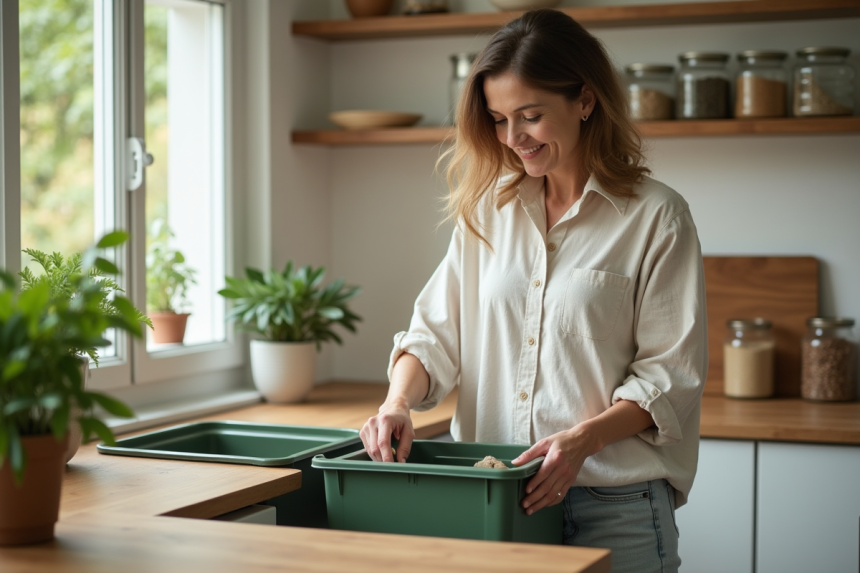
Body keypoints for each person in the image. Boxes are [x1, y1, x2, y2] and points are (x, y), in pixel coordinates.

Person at [360, 8, 707, 573]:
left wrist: (581, 442)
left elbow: (670, 377)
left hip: (614, 506)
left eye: (531, 115)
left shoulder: (657, 217)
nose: (513, 137)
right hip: (495, 497)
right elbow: (434, 336)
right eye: (498, 119)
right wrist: (396, 403)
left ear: (586, 101)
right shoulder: (487, 210)